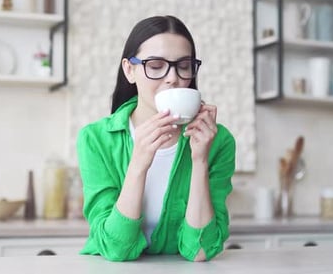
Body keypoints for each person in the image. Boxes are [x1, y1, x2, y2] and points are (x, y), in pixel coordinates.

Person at [76, 15, 235, 262]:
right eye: (156, 65)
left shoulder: (218, 140)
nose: (173, 77)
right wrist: (139, 163)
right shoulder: (95, 140)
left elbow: (200, 250)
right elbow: (115, 249)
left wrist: (200, 161)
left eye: (183, 66)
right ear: (130, 70)